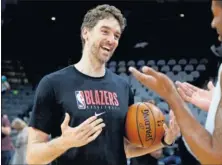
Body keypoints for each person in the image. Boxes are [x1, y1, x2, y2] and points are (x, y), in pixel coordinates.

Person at [26, 4, 180, 165]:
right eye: (105, 31)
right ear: (86, 32)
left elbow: (124, 149)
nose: (111, 40)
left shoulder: (123, 88)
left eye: (116, 35)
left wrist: (165, 141)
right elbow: (32, 157)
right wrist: (65, 142)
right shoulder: (52, 84)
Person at [129, 0, 222, 164]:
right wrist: (216, 106)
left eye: (215, 15)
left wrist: (172, 97)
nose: (213, 23)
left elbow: (221, 158)